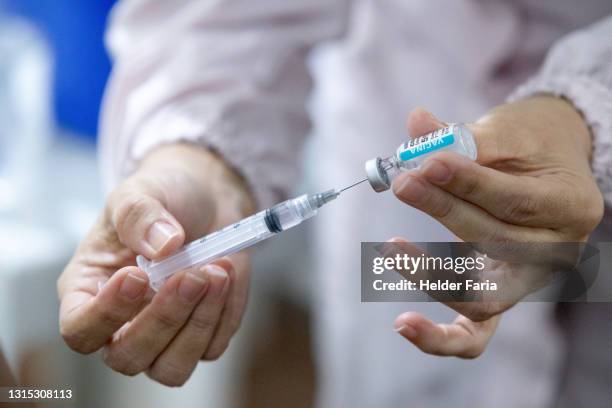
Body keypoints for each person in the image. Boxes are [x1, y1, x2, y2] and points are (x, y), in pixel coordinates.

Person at [58, 1, 612, 406]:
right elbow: (224, 16)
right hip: (399, 180)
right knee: (414, 360)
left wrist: (583, 111)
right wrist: (198, 158)